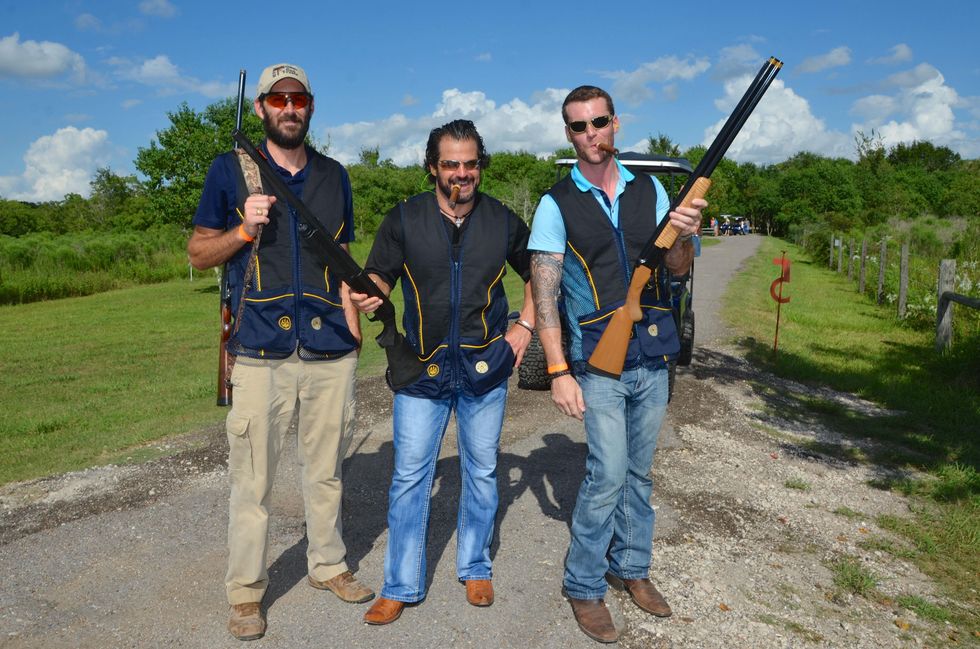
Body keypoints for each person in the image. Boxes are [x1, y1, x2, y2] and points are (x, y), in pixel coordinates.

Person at [188, 63, 373, 641]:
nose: (289, 107)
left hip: (328, 348)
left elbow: (340, 253)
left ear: (310, 107)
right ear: (263, 107)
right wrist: (243, 230)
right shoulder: (229, 171)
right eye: (278, 99)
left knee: (326, 474)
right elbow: (197, 254)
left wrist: (354, 319)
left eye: (298, 98)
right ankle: (245, 595)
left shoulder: (335, 176)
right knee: (254, 484)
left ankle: (328, 566)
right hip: (260, 347)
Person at [528, 86, 704, 644]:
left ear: (616, 124)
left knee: (639, 472)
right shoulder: (556, 203)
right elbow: (546, 294)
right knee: (605, 475)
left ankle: (631, 567)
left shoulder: (650, 191)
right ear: (568, 134)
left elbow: (676, 271)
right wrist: (557, 371)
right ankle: (583, 585)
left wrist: (684, 232)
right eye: (579, 127)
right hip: (596, 362)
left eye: (599, 122)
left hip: (652, 354)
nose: (591, 135)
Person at [349, 119, 535, 625]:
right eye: (450, 163)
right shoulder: (404, 218)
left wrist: (525, 327)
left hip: (484, 368)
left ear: (480, 165)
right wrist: (370, 290)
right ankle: (400, 584)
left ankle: (475, 565)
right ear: (433, 166)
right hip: (421, 370)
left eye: (470, 163)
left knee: (481, 471)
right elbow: (378, 274)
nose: (461, 173)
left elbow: (539, 270)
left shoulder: (501, 220)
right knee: (410, 477)